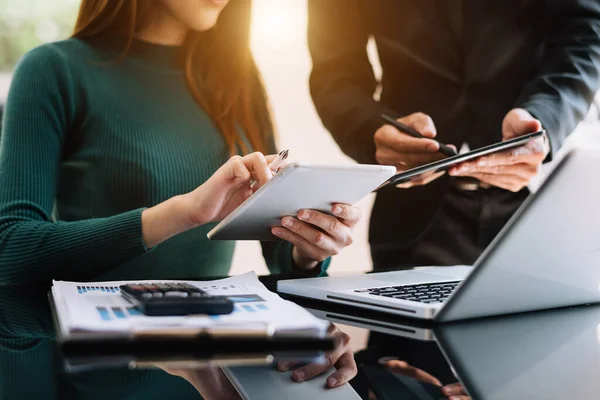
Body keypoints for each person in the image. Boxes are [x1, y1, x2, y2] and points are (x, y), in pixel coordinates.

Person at [0, 0, 358, 392]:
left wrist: (307, 248)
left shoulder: (237, 79)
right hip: (91, 373)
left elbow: (277, 249)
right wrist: (183, 213)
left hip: (220, 359)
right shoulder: (54, 69)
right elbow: (11, 246)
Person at [308, 0, 600, 269]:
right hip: (415, 210)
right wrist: (370, 131)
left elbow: (586, 33)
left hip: (545, 199)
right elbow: (334, 71)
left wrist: (544, 119)